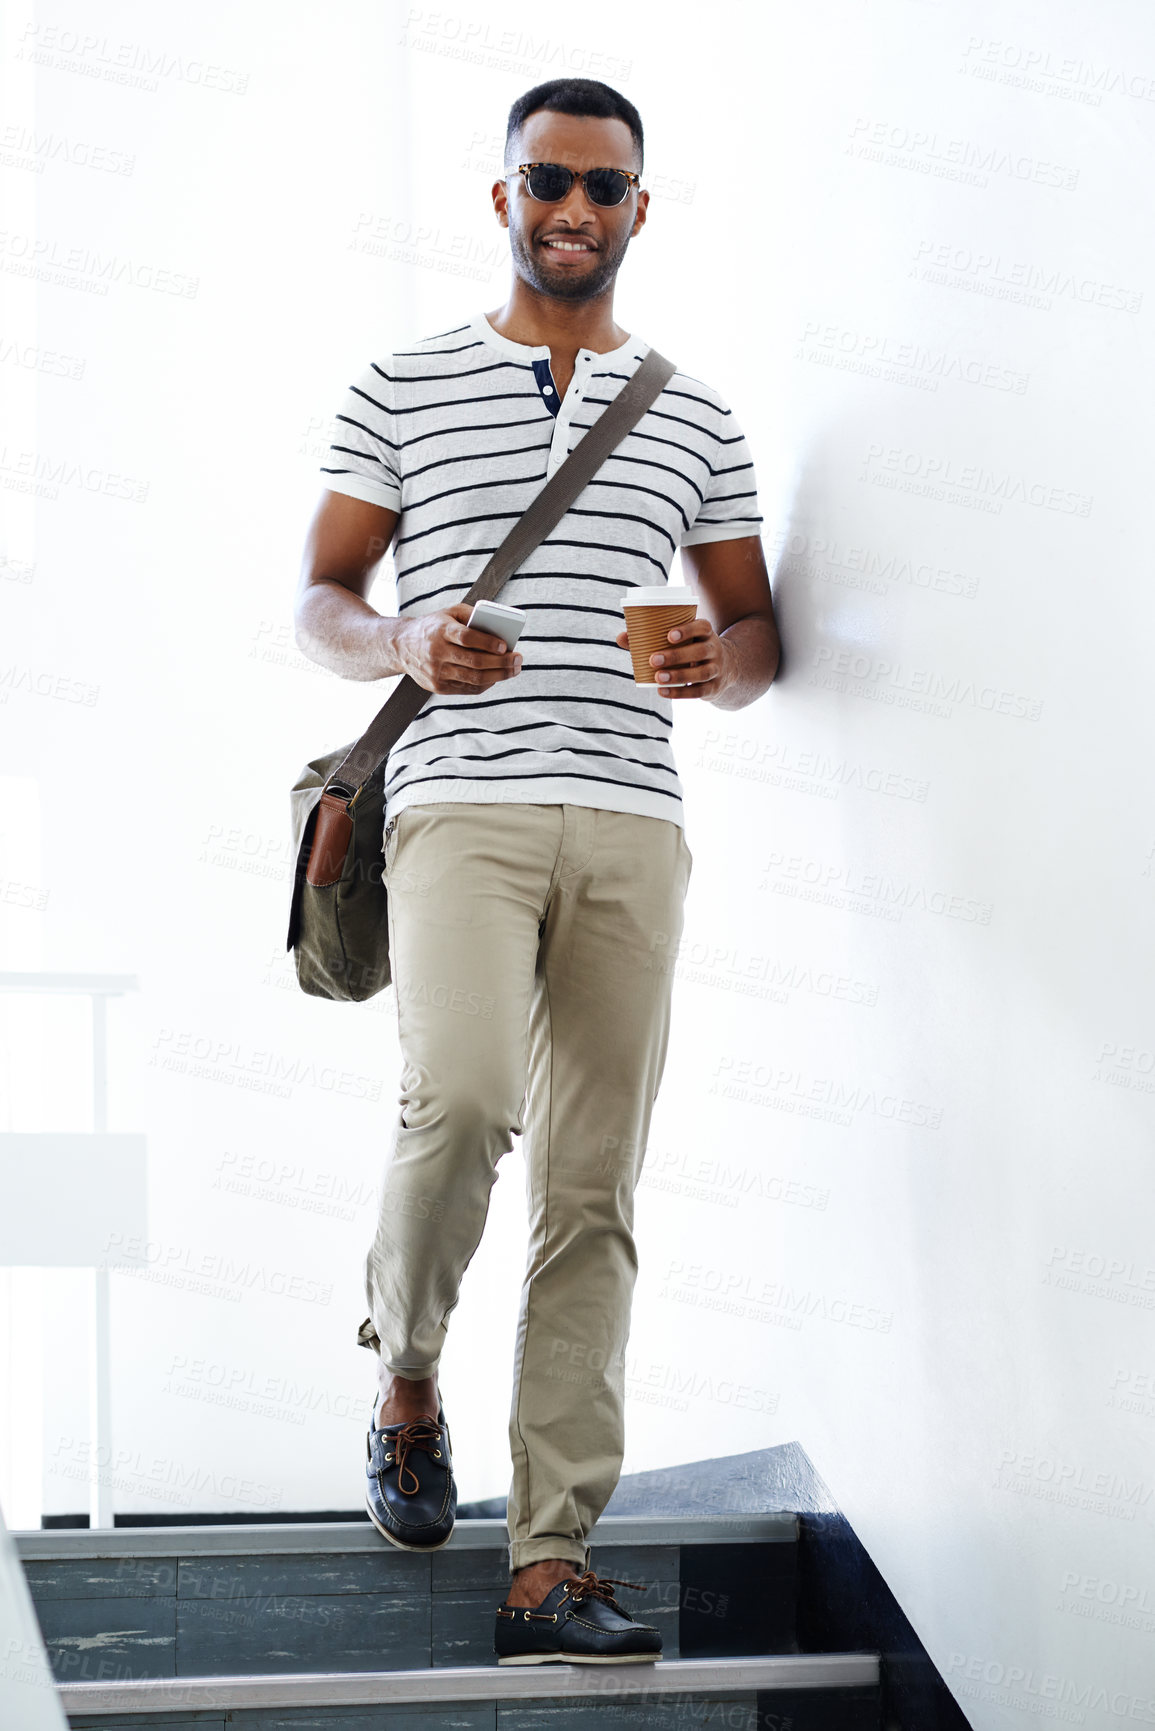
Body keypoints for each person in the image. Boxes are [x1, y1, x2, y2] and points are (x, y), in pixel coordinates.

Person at [294, 75, 780, 1666]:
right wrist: (401, 636)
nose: (574, 207)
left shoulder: (696, 412)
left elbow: (755, 626)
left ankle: (550, 1560)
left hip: (634, 815)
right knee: (466, 1106)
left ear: (643, 209)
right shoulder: (405, 384)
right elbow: (319, 595)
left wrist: (726, 663)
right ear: (500, 196)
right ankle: (410, 1370)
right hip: (461, 801)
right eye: (548, 180)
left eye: (605, 186)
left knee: (595, 1188)